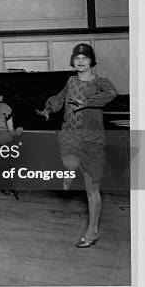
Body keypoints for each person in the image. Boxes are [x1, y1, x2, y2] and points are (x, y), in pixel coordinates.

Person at [36, 43, 117, 248]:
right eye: (77, 57)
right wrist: (48, 108)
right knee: (68, 161)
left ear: (91, 61)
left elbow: (112, 93)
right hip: (70, 135)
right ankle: (70, 170)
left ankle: (92, 232)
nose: (80, 61)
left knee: (92, 188)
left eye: (85, 58)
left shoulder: (100, 82)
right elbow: (60, 97)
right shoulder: (71, 80)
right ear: (73, 60)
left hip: (91, 140)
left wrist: (88, 102)